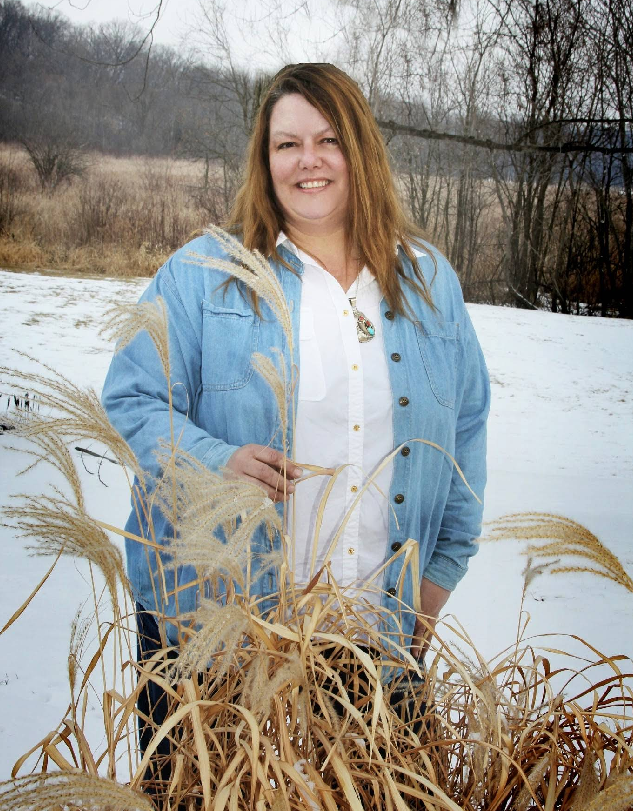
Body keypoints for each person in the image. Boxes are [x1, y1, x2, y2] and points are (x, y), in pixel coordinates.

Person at [102, 62, 489, 748]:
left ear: (359, 150)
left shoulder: (428, 283)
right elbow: (132, 399)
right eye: (286, 144)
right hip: (214, 641)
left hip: (374, 641)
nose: (307, 160)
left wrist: (434, 583)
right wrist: (214, 462)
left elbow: (464, 435)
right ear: (264, 157)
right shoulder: (201, 275)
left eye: (327, 139)